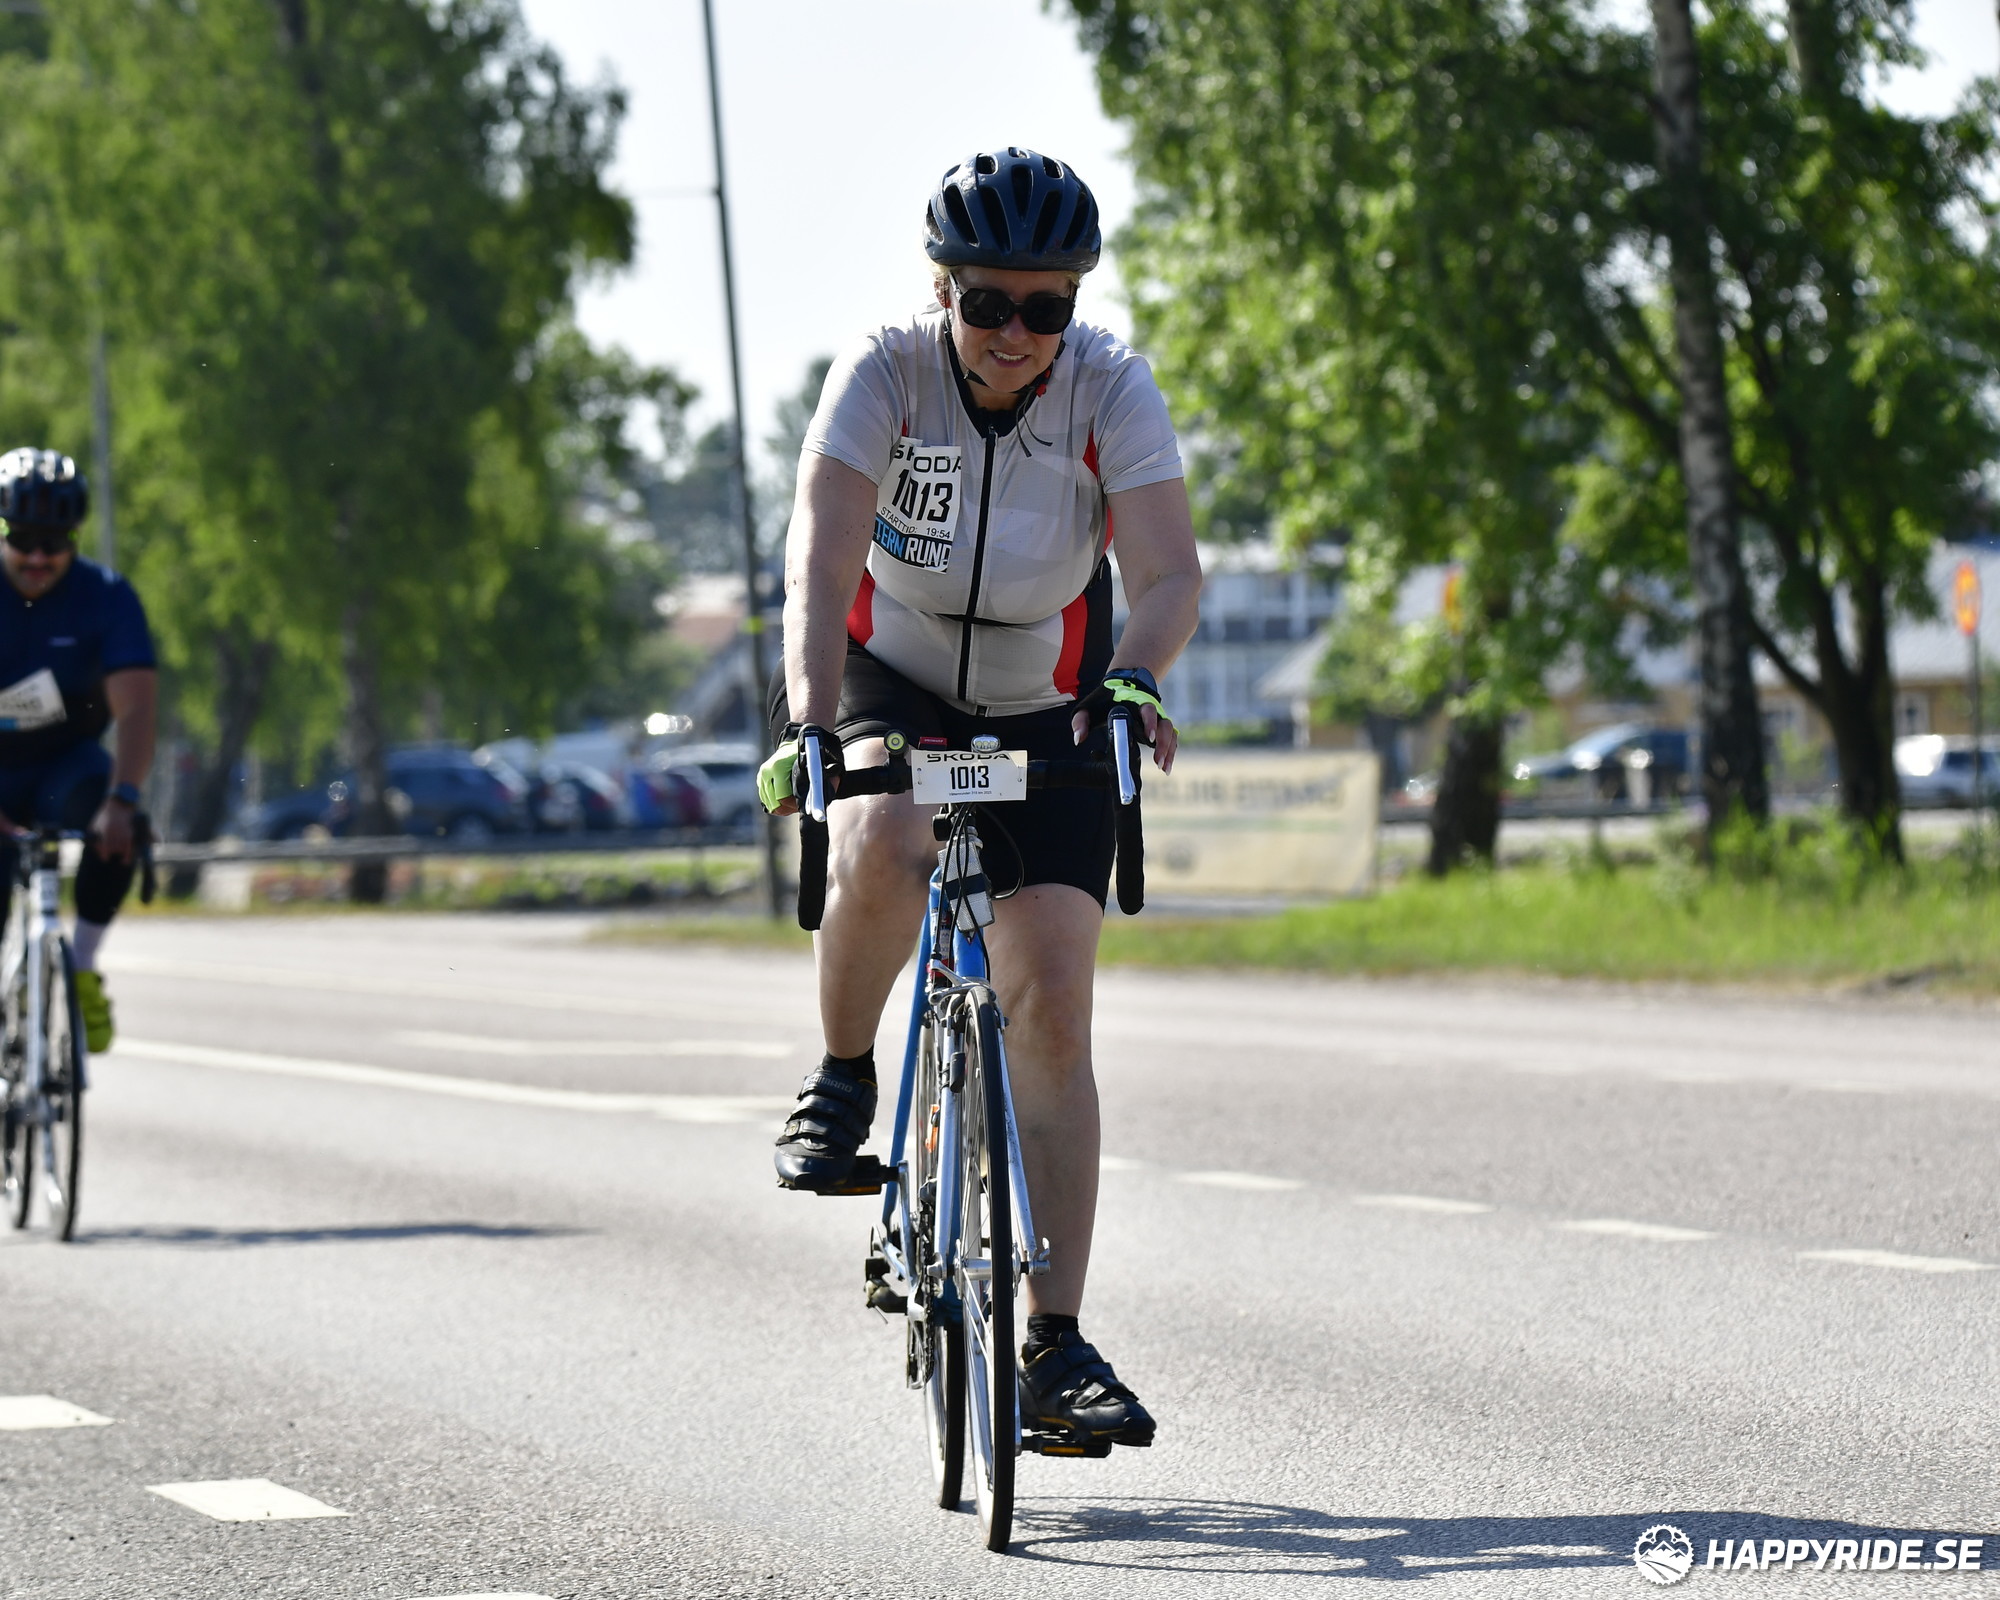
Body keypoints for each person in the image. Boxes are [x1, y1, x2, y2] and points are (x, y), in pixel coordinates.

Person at [758, 149, 1202, 1450]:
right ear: (941, 288)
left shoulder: (1109, 388)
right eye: (989, 303)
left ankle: (1054, 1344)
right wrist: (810, 718)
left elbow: (1169, 574)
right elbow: (819, 557)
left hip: (1045, 695)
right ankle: (845, 1073)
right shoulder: (884, 375)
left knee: (1051, 997)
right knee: (886, 835)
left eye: (1045, 308)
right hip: (891, 674)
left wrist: (1133, 679)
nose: (1016, 334)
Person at [0, 448, 158, 1052]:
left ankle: (84, 966)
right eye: (24, 540)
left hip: (65, 765)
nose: (39, 558)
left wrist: (124, 799)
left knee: (121, 825)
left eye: (55, 542)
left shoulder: (106, 596)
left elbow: (136, 707)